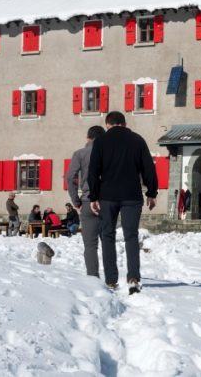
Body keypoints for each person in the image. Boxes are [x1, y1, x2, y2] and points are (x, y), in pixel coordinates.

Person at [88, 111, 158, 295]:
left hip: (107, 196)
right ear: (125, 123)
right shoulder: (137, 140)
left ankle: (111, 280)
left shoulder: (101, 142)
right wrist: (152, 192)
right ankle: (133, 277)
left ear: (107, 124)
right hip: (132, 195)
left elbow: (93, 171)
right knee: (131, 236)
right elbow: (148, 168)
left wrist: (93, 197)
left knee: (108, 235)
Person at [67, 125, 106, 276]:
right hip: (107, 202)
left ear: (88, 138)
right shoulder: (111, 153)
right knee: (108, 242)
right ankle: (111, 277)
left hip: (88, 201)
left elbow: (70, 177)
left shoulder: (80, 154)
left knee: (90, 246)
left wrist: (76, 202)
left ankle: (93, 278)